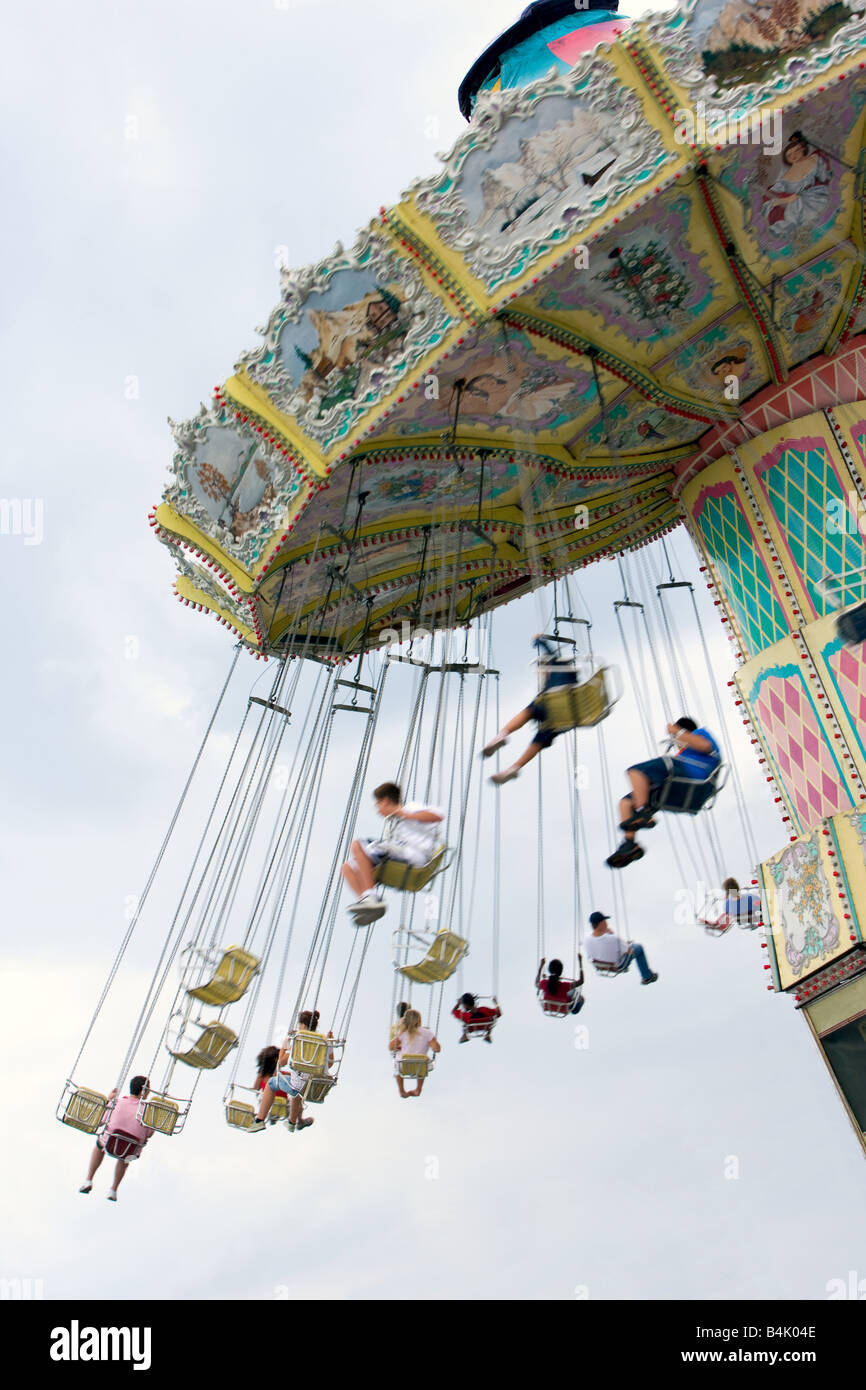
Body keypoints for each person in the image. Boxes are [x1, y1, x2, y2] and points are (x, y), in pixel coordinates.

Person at [607, 716, 721, 868]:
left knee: (635, 771)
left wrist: (676, 731)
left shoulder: (700, 734)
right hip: (679, 785)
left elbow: (704, 746)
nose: (676, 742)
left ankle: (644, 811)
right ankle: (629, 844)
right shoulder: (682, 756)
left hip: (692, 775)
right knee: (626, 803)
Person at [483, 636, 584, 785]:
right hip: (564, 719)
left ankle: (502, 735)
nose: (543, 674)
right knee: (542, 735)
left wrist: (539, 640)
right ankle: (514, 768)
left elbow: (551, 654)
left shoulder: (559, 670)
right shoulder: (570, 681)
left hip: (554, 705)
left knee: (531, 710)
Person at [341, 782, 443, 922]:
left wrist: (402, 813)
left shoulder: (410, 808)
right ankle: (368, 901)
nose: (378, 810)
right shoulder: (396, 822)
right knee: (347, 868)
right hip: (401, 852)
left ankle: (371, 896)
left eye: (378, 804)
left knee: (357, 845)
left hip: (414, 854)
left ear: (385, 801)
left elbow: (438, 815)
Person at [253, 1011, 332, 1132]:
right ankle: (292, 1122)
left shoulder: (297, 1040)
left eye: (299, 1024)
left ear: (303, 1026)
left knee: (272, 1084)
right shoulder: (325, 1041)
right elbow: (330, 1063)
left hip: (298, 1085)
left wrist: (285, 1046)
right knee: (296, 1091)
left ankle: (259, 1120)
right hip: (315, 1085)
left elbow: (282, 1061)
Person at [79, 1075, 153, 1202]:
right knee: (125, 1158)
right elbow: (149, 1134)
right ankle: (113, 1190)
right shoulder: (148, 1112)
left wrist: (108, 1100)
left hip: (109, 1142)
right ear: (143, 1091)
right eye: (148, 1089)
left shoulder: (117, 1102)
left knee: (99, 1146)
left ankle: (88, 1179)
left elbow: (102, 1121)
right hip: (131, 1149)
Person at [584, 912, 657, 984]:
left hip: (599, 965)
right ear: (601, 923)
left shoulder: (586, 939)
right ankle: (647, 976)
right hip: (619, 965)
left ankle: (647, 976)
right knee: (638, 947)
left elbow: (598, 944)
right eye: (605, 921)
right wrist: (612, 934)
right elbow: (628, 950)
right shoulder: (613, 938)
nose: (606, 923)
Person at [388, 1007, 441, 1098]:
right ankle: (418, 1089)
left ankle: (402, 1091)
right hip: (420, 1065)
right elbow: (437, 1049)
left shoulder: (403, 1033)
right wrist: (433, 1041)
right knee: (423, 1064)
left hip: (404, 1065)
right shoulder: (427, 1033)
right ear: (419, 1020)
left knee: (397, 1066)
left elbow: (391, 1047)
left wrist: (399, 1037)